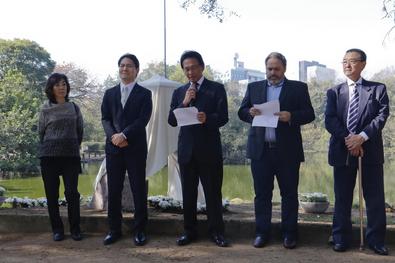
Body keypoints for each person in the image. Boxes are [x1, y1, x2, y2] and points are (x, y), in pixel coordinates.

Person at [238, 52, 315, 249]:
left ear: (284, 69)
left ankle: (289, 234)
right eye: (269, 69)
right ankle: (262, 233)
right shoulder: (254, 87)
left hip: (287, 152)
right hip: (260, 151)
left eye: (276, 69)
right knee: (262, 195)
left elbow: (309, 114)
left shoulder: (298, 88)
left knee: (289, 194)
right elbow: (242, 111)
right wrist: (249, 113)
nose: (272, 73)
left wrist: (291, 116)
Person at [325, 49, 389, 255]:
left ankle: (376, 240)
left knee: (375, 198)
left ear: (363, 64)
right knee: (342, 197)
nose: (347, 65)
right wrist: (350, 139)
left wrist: (361, 137)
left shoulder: (378, 89)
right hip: (342, 150)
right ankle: (340, 237)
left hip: (370, 151)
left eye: (352, 61)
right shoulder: (334, 92)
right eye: (344, 61)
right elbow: (330, 120)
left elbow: (381, 115)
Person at [168, 50, 229, 247]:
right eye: (186, 68)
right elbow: (171, 120)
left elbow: (224, 117)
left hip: (209, 150)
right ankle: (189, 231)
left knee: (213, 194)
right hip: (186, 151)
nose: (190, 72)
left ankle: (216, 232)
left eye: (194, 67)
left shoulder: (216, 89)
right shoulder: (179, 92)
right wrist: (185, 102)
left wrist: (207, 118)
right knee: (188, 194)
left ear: (202, 66)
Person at [101, 53, 152, 246]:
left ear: (136, 70)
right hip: (113, 148)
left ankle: (140, 230)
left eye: (129, 66)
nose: (125, 69)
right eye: (122, 65)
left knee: (138, 189)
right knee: (114, 190)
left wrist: (124, 135)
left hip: (135, 148)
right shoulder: (109, 93)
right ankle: (114, 229)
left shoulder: (145, 94)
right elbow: (105, 118)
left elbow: (142, 119)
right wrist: (114, 136)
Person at [38, 73, 84, 242]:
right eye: (57, 85)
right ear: (51, 88)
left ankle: (75, 229)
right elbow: (41, 132)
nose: (61, 87)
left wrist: (71, 144)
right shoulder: (45, 109)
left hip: (70, 156)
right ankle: (57, 230)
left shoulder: (74, 107)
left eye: (64, 84)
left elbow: (80, 131)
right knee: (52, 194)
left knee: (72, 193)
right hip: (49, 157)